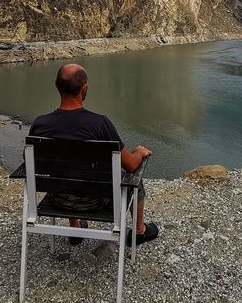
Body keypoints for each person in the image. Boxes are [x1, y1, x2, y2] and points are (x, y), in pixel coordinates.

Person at [28, 63, 158, 245]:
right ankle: (139, 231)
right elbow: (130, 165)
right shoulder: (100, 124)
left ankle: (75, 229)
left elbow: (27, 161)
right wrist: (139, 152)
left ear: (55, 84)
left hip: (58, 199)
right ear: (84, 89)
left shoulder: (40, 125)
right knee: (133, 177)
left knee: (67, 172)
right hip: (96, 201)